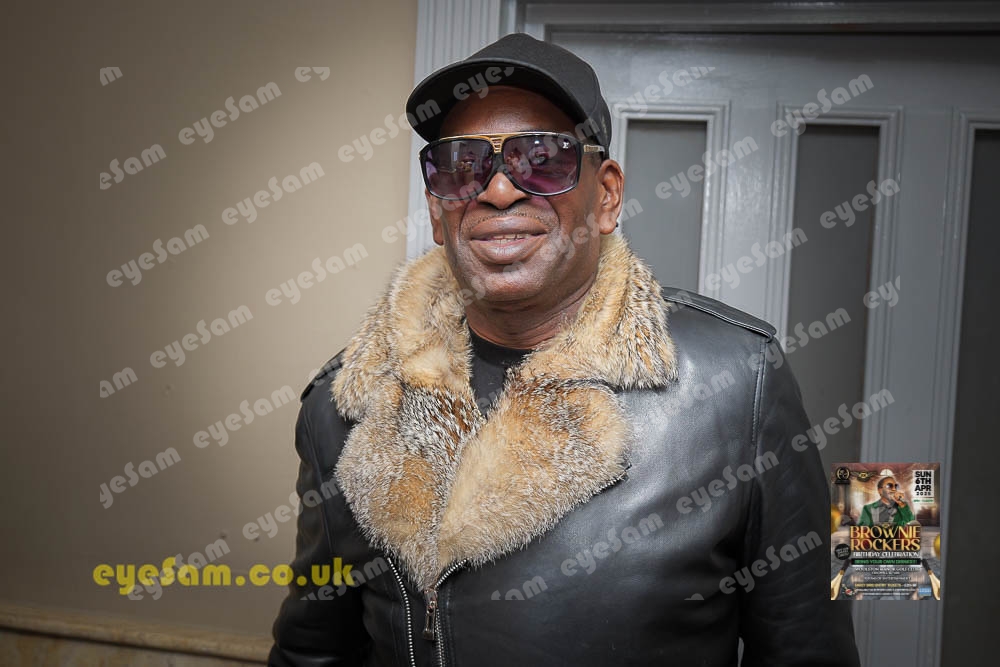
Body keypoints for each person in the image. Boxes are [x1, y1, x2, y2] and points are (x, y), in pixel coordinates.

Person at [268, 33, 860, 666]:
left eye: (542, 158)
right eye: (462, 164)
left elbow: (809, 650)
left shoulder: (741, 380)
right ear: (438, 210)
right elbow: (313, 652)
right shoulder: (348, 405)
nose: (498, 191)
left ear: (606, 196)